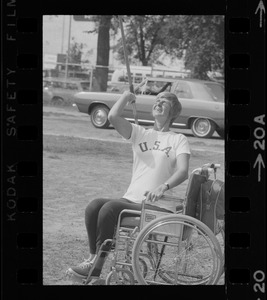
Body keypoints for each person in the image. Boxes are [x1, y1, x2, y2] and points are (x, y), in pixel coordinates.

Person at [67, 90, 191, 281]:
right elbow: (112, 116)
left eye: (164, 101)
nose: (158, 103)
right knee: (94, 206)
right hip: (131, 199)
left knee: (110, 208)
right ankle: (92, 257)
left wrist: (163, 187)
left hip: (157, 205)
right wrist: (125, 96)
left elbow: (183, 171)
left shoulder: (178, 139)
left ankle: (97, 267)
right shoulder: (140, 132)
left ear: (173, 111)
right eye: (157, 100)